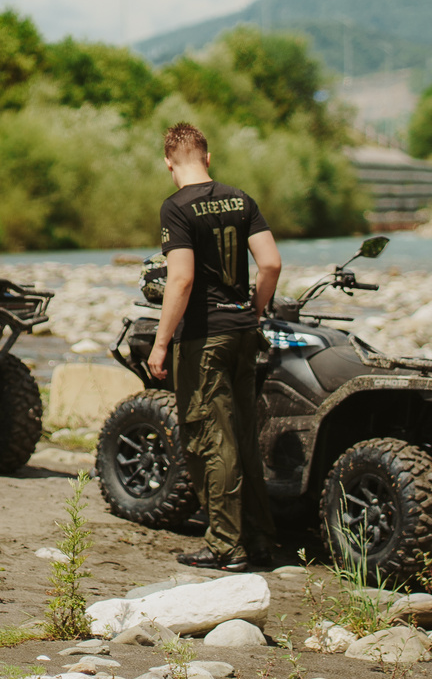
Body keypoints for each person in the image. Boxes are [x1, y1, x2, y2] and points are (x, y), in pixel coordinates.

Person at [147, 122, 282, 572]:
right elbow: (271, 264)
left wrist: (161, 343)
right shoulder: (240, 199)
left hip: (204, 338)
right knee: (243, 434)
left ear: (169, 162)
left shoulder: (176, 208)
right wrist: (256, 311)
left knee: (210, 437)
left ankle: (226, 545)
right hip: (243, 331)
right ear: (208, 156)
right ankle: (260, 539)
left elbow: (181, 279)